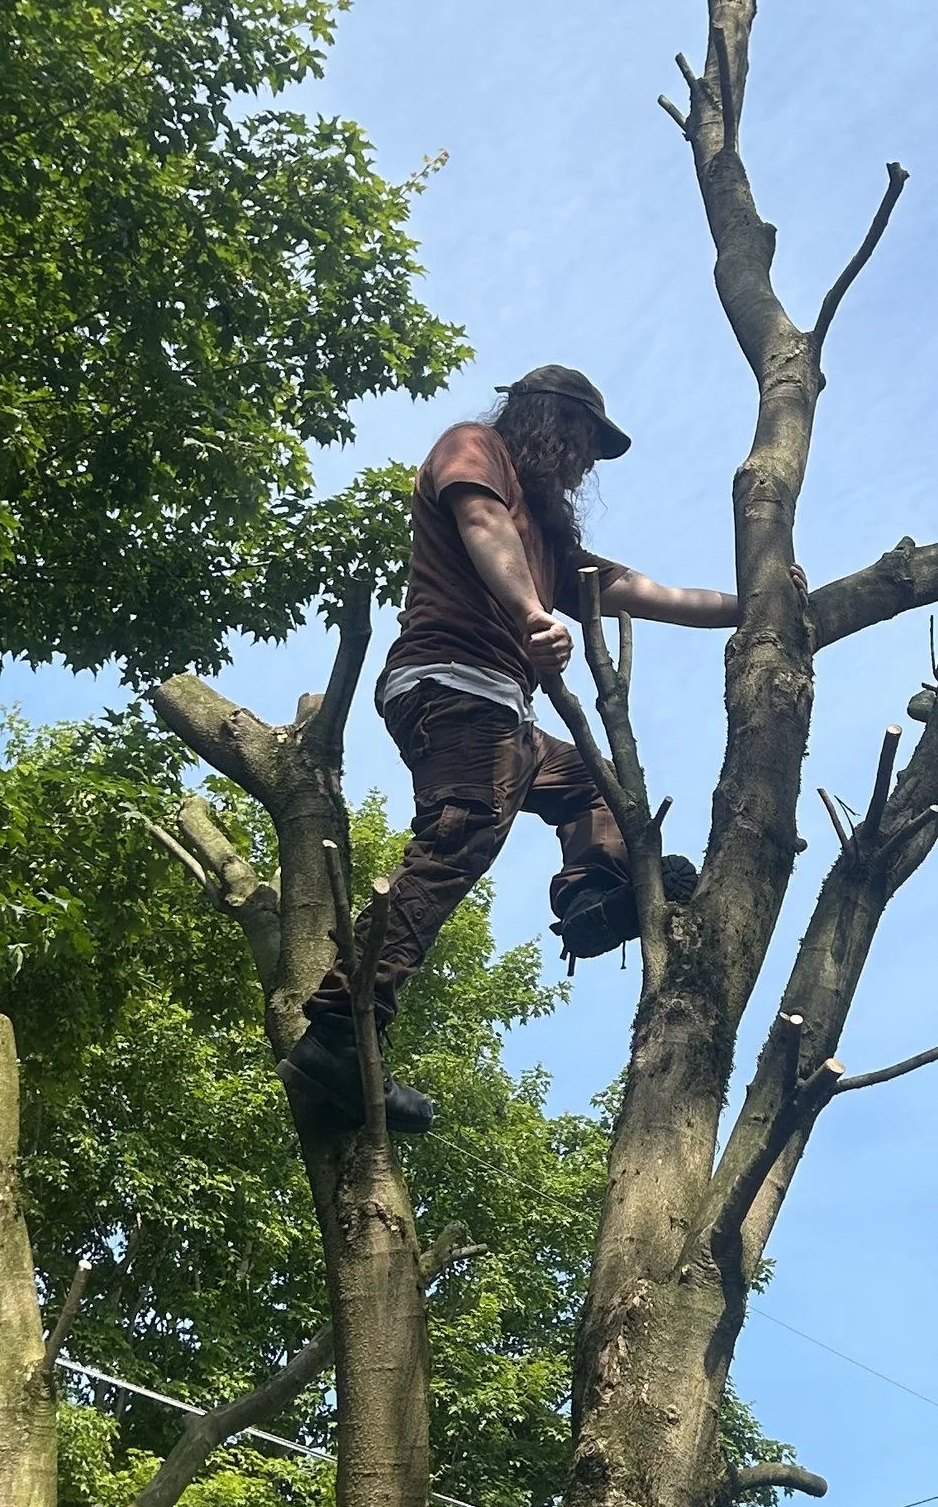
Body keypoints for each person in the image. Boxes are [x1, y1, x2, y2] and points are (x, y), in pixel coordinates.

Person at [279, 365, 743, 1128]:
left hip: (504, 718)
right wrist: (533, 614)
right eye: (585, 443)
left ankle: (591, 892)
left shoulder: (553, 542)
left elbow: (653, 594)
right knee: (459, 837)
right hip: (450, 686)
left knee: (595, 786)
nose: (586, 464)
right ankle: (337, 1031)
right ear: (547, 421)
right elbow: (481, 526)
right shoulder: (475, 448)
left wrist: (759, 600)